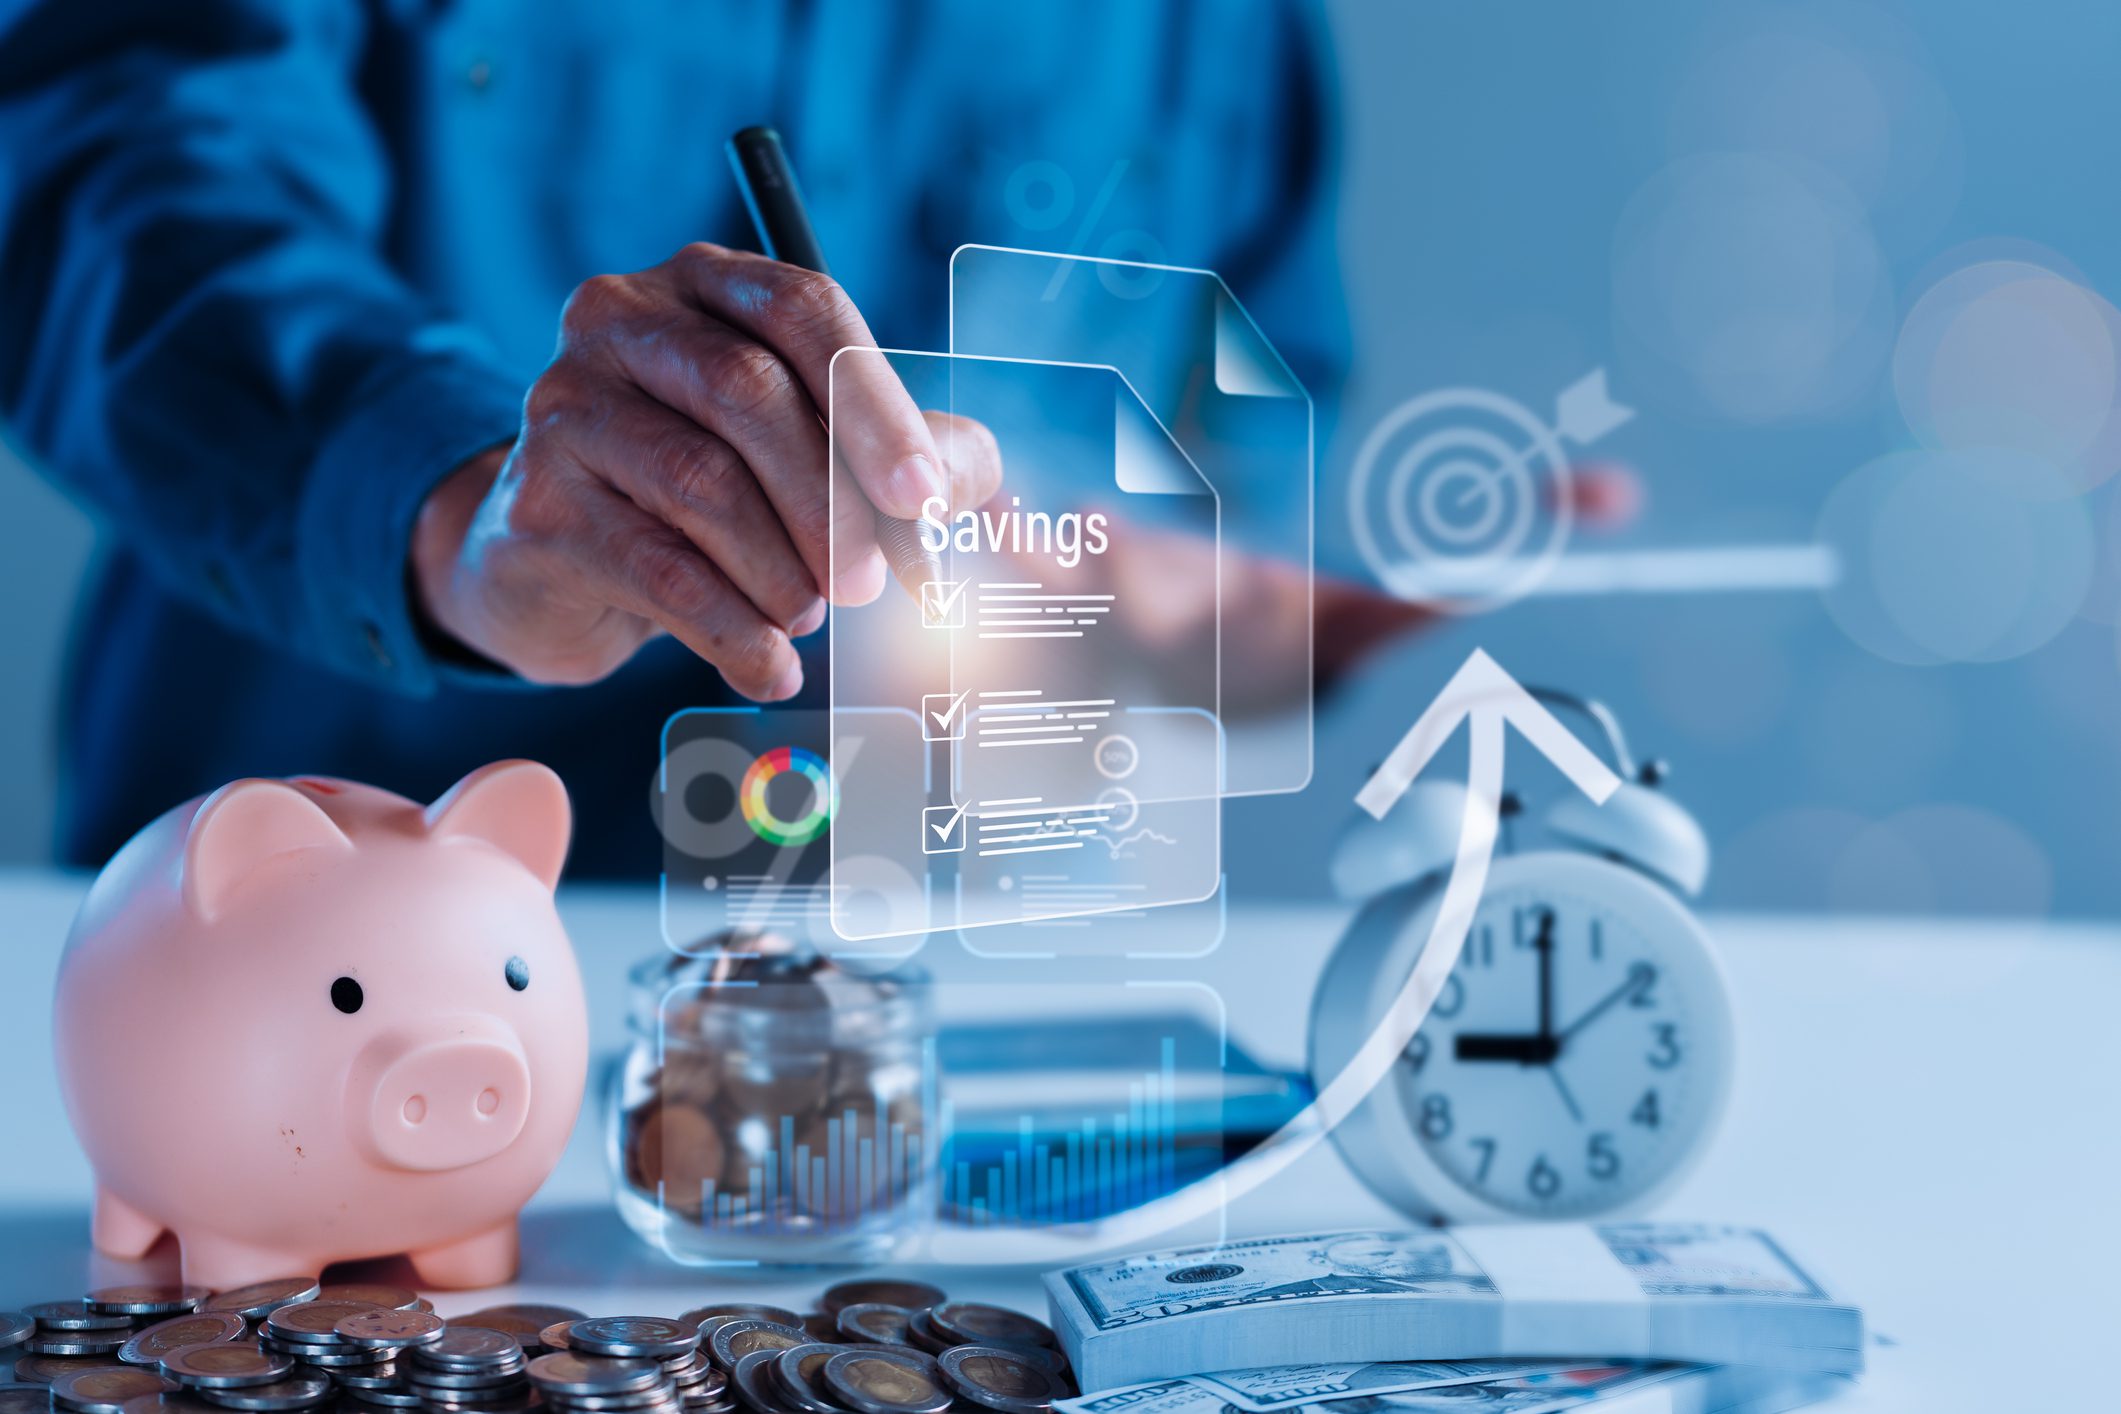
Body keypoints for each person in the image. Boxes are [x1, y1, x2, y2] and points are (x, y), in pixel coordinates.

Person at [0, 0, 1349, 876]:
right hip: (331, 952)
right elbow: (115, 171)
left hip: (971, 981)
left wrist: (1209, 610)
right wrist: (458, 507)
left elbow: (1250, 422)